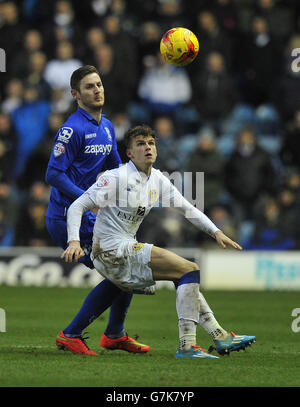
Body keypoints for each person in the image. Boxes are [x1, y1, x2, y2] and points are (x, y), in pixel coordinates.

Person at [61, 124, 256, 358]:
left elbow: (187, 209)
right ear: (130, 153)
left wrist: (216, 232)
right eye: (140, 144)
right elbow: (77, 206)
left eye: (151, 143)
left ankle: (219, 335)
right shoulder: (116, 177)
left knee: (183, 274)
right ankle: (188, 346)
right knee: (189, 270)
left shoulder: (158, 180)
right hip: (110, 249)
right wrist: (73, 241)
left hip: (124, 249)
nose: (148, 148)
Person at [45, 65, 150, 356]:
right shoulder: (72, 129)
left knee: (126, 267)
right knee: (124, 270)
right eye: (90, 86)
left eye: (99, 84)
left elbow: (116, 168)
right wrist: (87, 199)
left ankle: (115, 334)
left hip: (93, 216)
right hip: (68, 217)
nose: (97, 90)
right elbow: (53, 174)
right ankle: (72, 334)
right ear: (75, 94)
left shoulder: (106, 126)